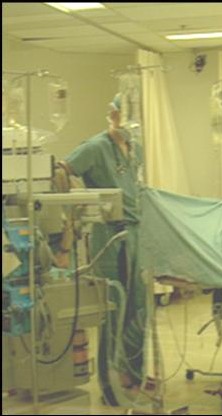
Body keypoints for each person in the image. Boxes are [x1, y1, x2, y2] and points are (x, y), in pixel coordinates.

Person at [54, 93, 146, 404]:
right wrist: (77, 208)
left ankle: (133, 375)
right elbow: (61, 171)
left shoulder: (136, 148)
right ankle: (111, 386)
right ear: (113, 114)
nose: (129, 122)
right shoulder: (95, 148)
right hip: (108, 235)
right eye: (125, 114)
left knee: (138, 309)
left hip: (136, 233)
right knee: (113, 309)